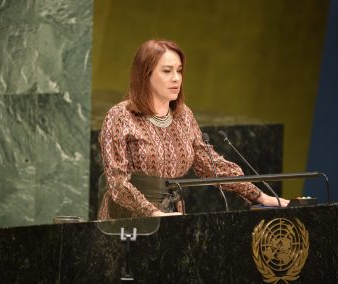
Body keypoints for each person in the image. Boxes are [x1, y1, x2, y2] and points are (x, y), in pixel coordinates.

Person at [98, 39, 289, 219]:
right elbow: (117, 182)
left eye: (179, 71)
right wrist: (153, 214)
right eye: (167, 71)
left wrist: (260, 196)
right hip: (128, 221)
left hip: (172, 217)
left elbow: (210, 164)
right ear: (145, 75)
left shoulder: (183, 115)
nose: (176, 78)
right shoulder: (120, 116)